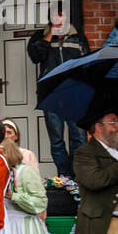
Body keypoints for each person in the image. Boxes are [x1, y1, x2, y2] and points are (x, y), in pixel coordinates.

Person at [27, 9, 90, 177]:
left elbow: (87, 64)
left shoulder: (78, 37)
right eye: (54, 15)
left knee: (79, 137)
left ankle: (77, 175)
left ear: (66, 17)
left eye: (61, 15)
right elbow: (35, 56)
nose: (58, 19)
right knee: (56, 140)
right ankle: (65, 175)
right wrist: (49, 36)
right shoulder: (41, 36)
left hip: (74, 94)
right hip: (52, 95)